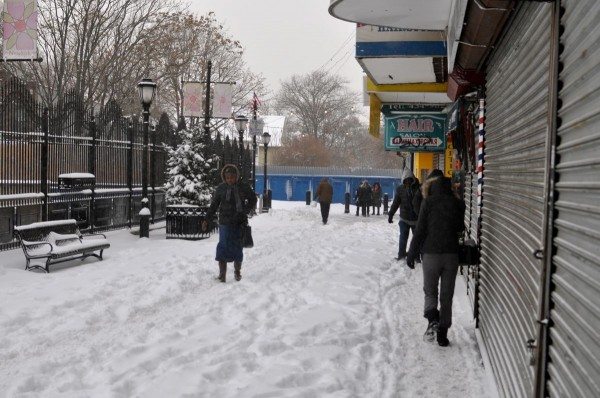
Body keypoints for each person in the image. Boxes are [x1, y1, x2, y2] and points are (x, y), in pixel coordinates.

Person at [406, 176, 466, 347]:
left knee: (430, 291)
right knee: (447, 296)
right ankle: (442, 334)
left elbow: (420, 230)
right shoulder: (457, 204)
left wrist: (412, 253)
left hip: (430, 254)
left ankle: (433, 319)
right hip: (451, 255)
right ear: (450, 188)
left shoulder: (428, 202)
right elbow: (460, 228)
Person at [202, 164, 257, 283]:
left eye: (232, 177)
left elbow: (253, 199)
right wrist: (206, 219)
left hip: (239, 222)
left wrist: (245, 211)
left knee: (237, 247)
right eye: (227, 177)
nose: (230, 180)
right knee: (223, 246)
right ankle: (222, 275)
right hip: (225, 222)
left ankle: (237, 272)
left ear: (237, 176)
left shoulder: (243, 187)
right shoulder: (221, 188)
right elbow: (214, 205)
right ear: (224, 177)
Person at [388, 168, 419, 260]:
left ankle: (416, 256)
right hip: (404, 218)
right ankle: (401, 255)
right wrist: (391, 214)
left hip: (416, 219)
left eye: (409, 180)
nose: (407, 183)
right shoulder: (400, 189)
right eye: (405, 181)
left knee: (416, 239)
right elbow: (396, 203)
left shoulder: (419, 188)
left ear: (412, 179)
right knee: (403, 238)